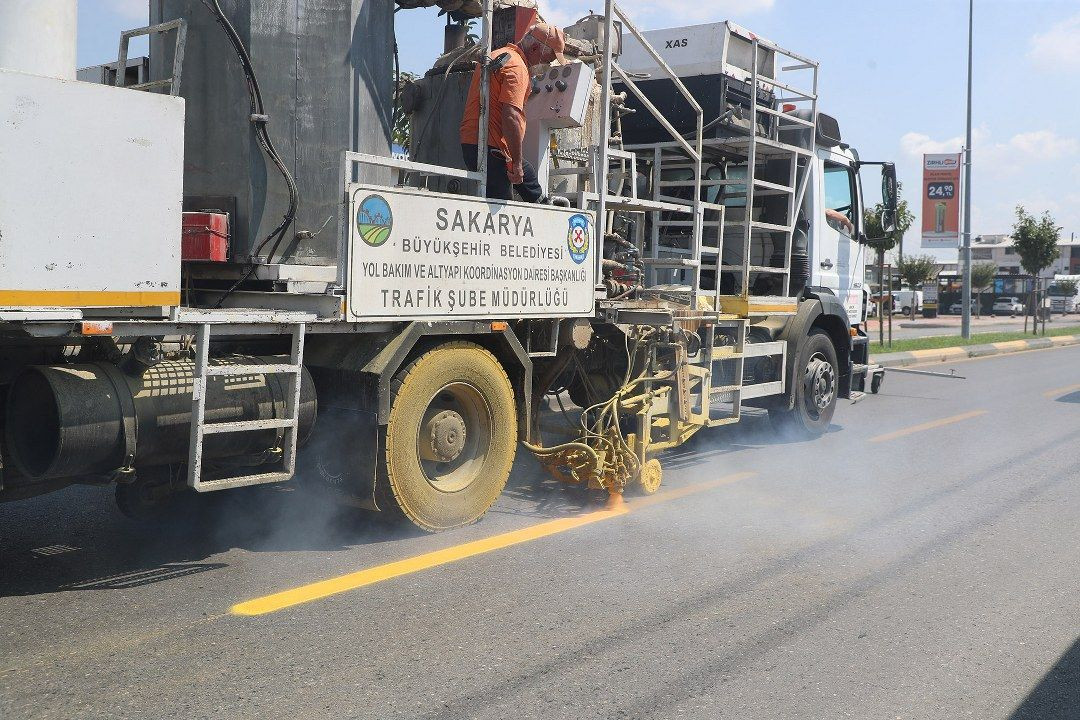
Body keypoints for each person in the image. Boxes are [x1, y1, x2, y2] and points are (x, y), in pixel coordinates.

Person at [459, 22, 566, 203]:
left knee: (527, 174)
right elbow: (511, 116)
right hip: (491, 148)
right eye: (548, 60)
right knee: (501, 208)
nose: (548, 65)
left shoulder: (498, 55)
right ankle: (542, 207)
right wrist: (515, 163)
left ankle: (541, 201)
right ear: (534, 48)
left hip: (475, 143)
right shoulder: (517, 68)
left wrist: (518, 163)